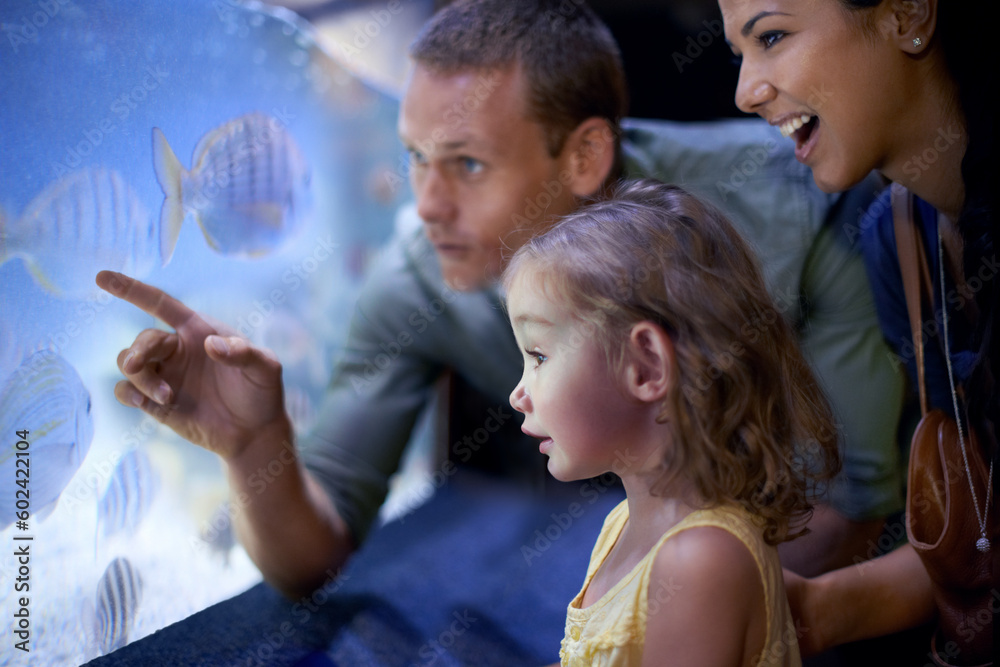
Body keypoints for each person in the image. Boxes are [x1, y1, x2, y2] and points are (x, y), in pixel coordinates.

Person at [97, 0, 901, 601]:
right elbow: (313, 552)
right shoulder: (422, 274)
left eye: (468, 165)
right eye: (414, 158)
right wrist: (251, 444)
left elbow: (856, 508)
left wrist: (667, 614)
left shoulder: (795, 209)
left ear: (585, 155)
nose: (429, 203)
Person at [719, 0, 996, 662]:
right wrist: (812, 611)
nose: (745, 91)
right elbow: (983, 531)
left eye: (773, 37)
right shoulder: (896, 239)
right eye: (739, 54)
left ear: (906, 15)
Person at [504, 178, 840, 666]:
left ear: (646, 367)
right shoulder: (622, 524)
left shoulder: (699, 560)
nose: (517, 394)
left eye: (538, 355)